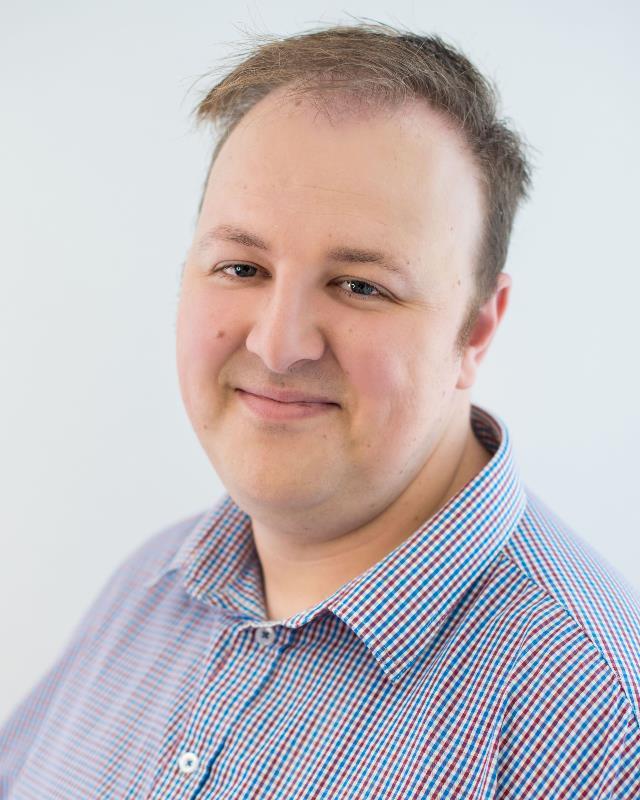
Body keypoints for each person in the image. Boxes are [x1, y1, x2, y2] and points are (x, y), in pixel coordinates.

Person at [1, 20, 639, 799]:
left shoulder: (594, 715)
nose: (277, 345)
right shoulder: (151, 588)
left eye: (361, 285)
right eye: (241, 267)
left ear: (477, 327)